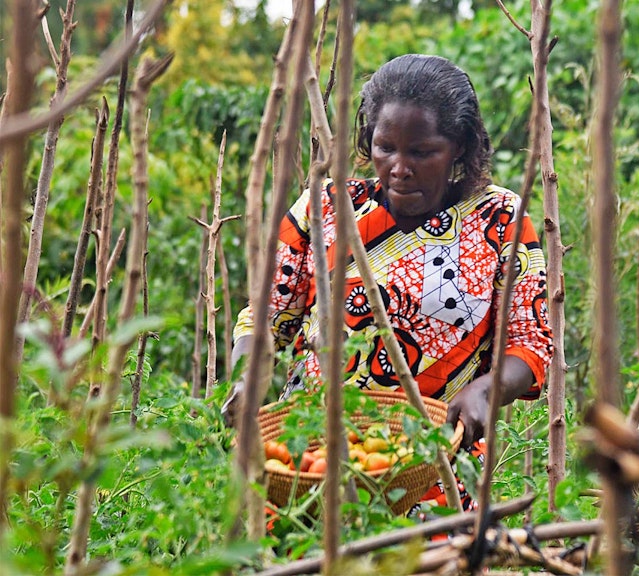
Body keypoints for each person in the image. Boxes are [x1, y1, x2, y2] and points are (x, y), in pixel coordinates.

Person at [221, 54, 553, 512]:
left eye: (421, 152)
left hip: (433, 468)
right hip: (308, 462)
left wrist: (485, 391)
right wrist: (244, 379)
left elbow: (531, 342)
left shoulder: (498, 221)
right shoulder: (327, 209)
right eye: (385, 148)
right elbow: (267, 316)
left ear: (458, 147)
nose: (399, 167)